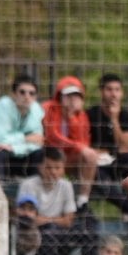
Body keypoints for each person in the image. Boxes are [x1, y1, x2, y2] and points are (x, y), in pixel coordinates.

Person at [16, 148, 93, 255]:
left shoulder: (66, 186)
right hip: (33, 235)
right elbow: (28, 218)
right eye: (48, 167)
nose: (53, 172)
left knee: (89, 234)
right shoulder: (29, 185)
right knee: (49, 231)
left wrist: (47, 219)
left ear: (63, 169)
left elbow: (69, 220)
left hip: (59, 233)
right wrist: (56, 220)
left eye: (57, 168)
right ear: (40, 167)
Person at [41, 75, 100, 203]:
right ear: (60, 96)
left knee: (91, 156)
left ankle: (83, 200)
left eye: (76, 96)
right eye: (68, 96)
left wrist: (72, 118)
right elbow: (52, 137)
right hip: (49, 155)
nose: (72, 100)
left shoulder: (81, 116)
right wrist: (79, 147)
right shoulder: (48, 108)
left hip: (69, 159)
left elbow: (83, 142)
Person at [86, 74, 128, 194]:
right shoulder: (90, 114)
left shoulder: (127, 116)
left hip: (119, 162)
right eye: (109, 89)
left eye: (117, 90)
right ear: (101, 92)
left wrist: (114, 119)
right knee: (103, 182)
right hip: (98, 163)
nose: (113, 94)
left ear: (122, 93)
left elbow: (125, 147)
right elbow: (84, 144)